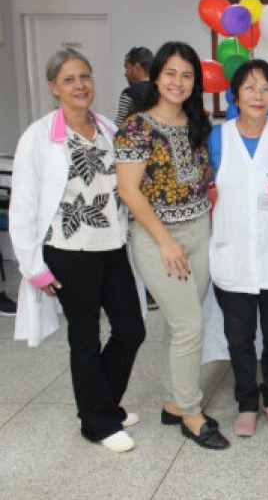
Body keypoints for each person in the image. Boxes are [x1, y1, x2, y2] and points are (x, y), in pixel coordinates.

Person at [10, 48, 146, 453]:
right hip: (69, 252)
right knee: (85, 339)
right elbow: (23, 206)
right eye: (69, 79)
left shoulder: (106, 127)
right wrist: (33, 267)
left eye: (85, 76)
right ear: (53, 87)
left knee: (131, 329)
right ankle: (98, 423)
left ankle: (99, 404)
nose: (80, 85)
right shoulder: (38, 138)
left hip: (112, 247)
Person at [115, 41, 229, 450]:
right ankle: (191, 413)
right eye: (170, 73)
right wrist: (165, 241)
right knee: (188, 326)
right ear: (156, 76)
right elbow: (129, 191)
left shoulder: (196, 121)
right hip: (158, 240)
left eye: (187, 75)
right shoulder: (136, 127)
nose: (178, 82)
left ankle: (173, 403)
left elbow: (201, 176)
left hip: (199, 232)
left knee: (181, 324)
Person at [207, 59, 268, 437]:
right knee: (239, 336)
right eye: (250, 87)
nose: (258, 95)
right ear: (235, 95)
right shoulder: (217, 137)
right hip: (232, 255)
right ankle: (246, 402)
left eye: (266, 88)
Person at [115, 46, 153, 127]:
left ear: (137, 67)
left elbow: (119, 125)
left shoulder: (129, 93)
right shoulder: (162, 91)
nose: (125, 74)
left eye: (127, 68)